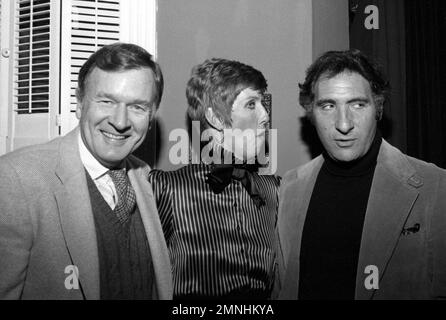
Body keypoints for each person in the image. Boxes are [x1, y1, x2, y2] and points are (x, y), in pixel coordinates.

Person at [0, 43, 172, 300]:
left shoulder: (145, 176)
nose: (121, 121)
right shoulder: (17, 178)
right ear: (80, 103)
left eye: (137, 107)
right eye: (106, 101)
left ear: (151, 115)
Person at [276, 49, 446, 299]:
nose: (344, 124)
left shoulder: (434, 186)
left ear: (378, 108)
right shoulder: (290, 187)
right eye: (328, 105)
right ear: (312, 113)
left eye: (357, 104)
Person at [148, 58, 280, 299]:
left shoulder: (276, 189)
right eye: (251, 104)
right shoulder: (166, 188)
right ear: (216, 119)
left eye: (263, 103)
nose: (265, 115)